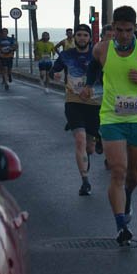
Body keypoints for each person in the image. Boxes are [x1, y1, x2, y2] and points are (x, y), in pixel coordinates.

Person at [81, 5, 137, 245]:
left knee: (133, 175)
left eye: (128, 30)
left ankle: (128, 197)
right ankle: (121, 225)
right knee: (118, 170)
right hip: (112, 118)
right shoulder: (102, 49)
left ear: (135, 28)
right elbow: (93, 69)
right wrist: (89, 85)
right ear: (113, 27)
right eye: (119, 30)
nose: (123, 35)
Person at [52, 24, 101, 196]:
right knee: (79, 139)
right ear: (75, 38)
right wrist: (56, 75)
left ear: (90, 38)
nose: (81, 38)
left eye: (85, 35)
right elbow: (54, 71)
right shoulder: (66, 55)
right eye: (79, 35)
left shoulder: (98, 55)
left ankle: (96, 139)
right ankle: (85, 181)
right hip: (73, 101)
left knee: (90, 148)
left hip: (95, 103)